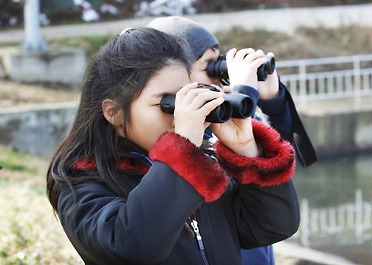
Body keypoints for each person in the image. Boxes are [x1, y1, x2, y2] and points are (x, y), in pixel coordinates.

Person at [46, 27, 299, 265]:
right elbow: (132, 247)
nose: (179, 113)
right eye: (166, 103)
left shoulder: (204, 166)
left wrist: (246, 148)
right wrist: (183, 148)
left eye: (184, 97)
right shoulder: (81, 182)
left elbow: (273, 226)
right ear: (113, 112)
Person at [148, 16, 317, 265]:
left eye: (220, 61)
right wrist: (243, 95)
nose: (220, 73)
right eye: (210, 65)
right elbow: (223, 156)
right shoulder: (186, 138)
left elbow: (273, 170)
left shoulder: (222, 122)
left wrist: (272, 100)